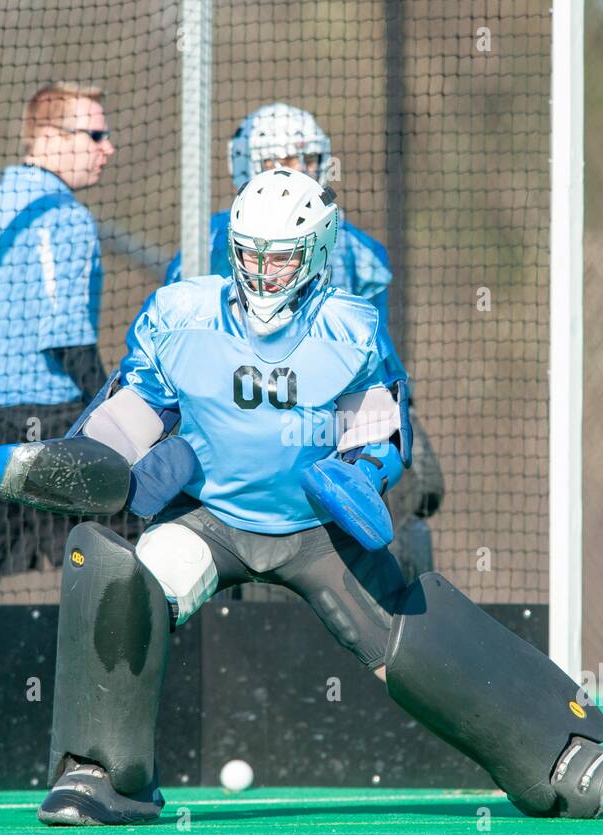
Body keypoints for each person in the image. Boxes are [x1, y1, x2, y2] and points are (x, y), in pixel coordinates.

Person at [0, 168, 603, 824]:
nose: (263, 274)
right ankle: (102, 773)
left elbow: (379, 433)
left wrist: (360, 473)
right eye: (250, 255)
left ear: (318, 254)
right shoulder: (180, 313)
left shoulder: (350, 327)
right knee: (118, 574)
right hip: (213, 518)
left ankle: (555, 747)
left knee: (406, 651)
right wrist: (60, 462)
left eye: (282, 257)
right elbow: (125, 420)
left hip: (316, 530)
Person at [166, 102, 442, 580]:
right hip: (243, 408)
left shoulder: (354, 246)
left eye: (307, 161)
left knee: (408, 499)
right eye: (282, 164)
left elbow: (376, 353)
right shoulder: (213, 241)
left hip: (336, 410)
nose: (300, 176)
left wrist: (402, 412)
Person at [0, 82, 114, 606]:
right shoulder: (64, 216)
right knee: (126, 553)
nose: (108, 147)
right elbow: (69, 337)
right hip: (47, 424)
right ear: (52, 138)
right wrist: (116, 416)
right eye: (95, 134)